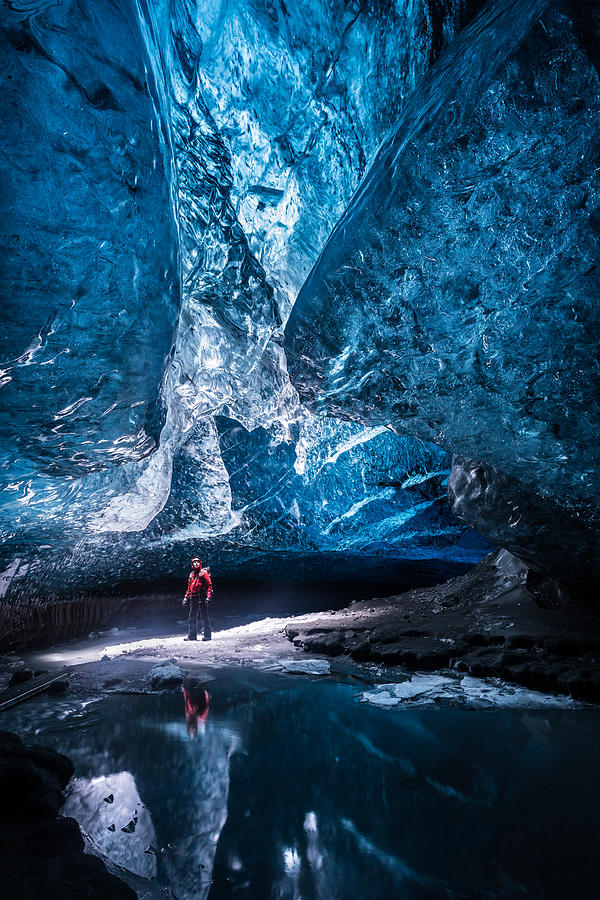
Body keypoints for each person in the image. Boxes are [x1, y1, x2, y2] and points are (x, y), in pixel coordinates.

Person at [182, 556, 213, 641]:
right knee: (191, 617)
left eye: (198, 562)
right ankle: (192, 636)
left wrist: (208, 596)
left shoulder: (203, 573)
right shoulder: (191, 574)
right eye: (194, 562)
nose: (196, 563)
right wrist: (185, 597)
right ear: (192, 564)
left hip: (202, 597)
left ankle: (207, 636)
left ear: (200, 563)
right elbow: (189, 588)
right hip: (193, 597)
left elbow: (209, 586)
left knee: (204, 616)